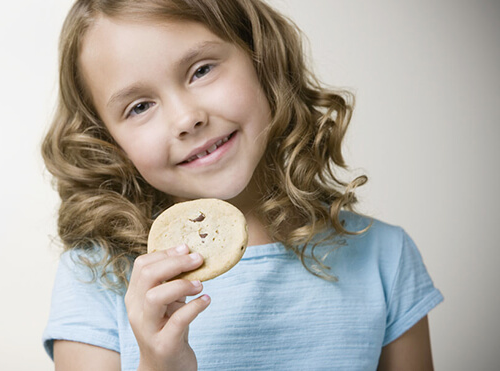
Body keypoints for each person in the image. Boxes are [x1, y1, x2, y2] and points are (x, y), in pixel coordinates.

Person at [41, 0, 443, 370]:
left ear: (262, 60)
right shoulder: (95, 278)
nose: (186, 118)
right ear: (109, 141)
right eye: (140, 106)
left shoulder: (384, 258)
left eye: (201, 70)